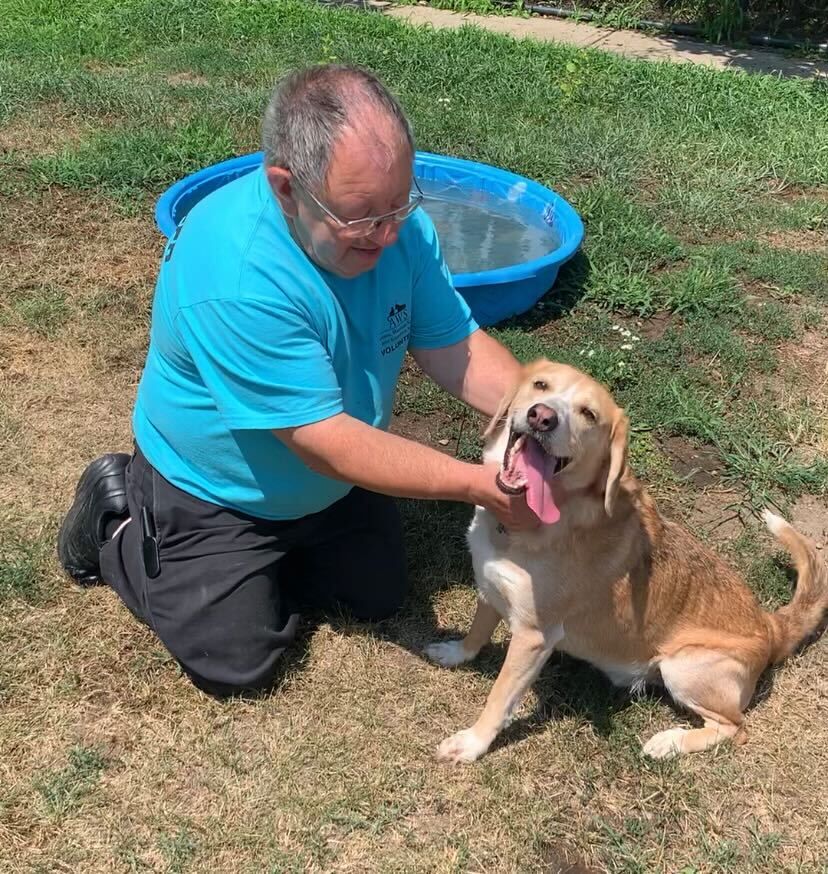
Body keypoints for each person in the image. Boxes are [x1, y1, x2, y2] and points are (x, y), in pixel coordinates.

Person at [58, 64, 538, 697]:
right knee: (237, 663)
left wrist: (546, 414)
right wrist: (478, 485)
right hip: (217, 490)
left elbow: (454, 347)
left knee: (378, 596)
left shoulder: (397, 226)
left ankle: (265, 566)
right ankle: (122, 523)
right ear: (287, 189)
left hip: (328, 479)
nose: (389, 233)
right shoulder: (237, 273)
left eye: (400, 203)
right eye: (363, 216)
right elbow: (324, 439)